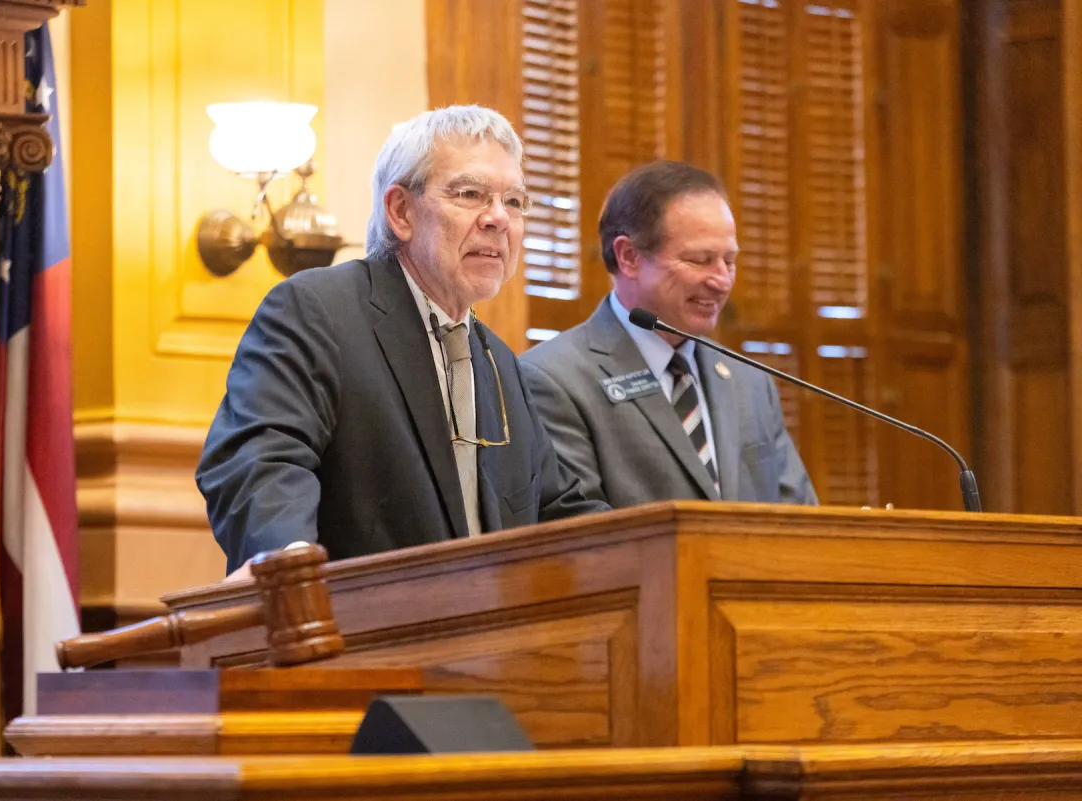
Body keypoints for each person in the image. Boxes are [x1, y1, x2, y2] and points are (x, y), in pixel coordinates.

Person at [197, 105, 608, 576]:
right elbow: (259, 462)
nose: (498, 218)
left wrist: (651, 559)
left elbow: (558, 512)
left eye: (514, 201)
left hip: (489, 642)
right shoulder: (318, 312)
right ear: (401, 211)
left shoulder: (501, 365)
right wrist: (289, 569)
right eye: (471, 194)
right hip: (357, 637)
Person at [520, 160, 817, 507]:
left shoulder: (749, 382)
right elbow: (583, 535)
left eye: (729, 261)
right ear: (629, 256)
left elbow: (799, 520)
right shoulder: (553, 380)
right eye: (699, 260)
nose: (721, 281)